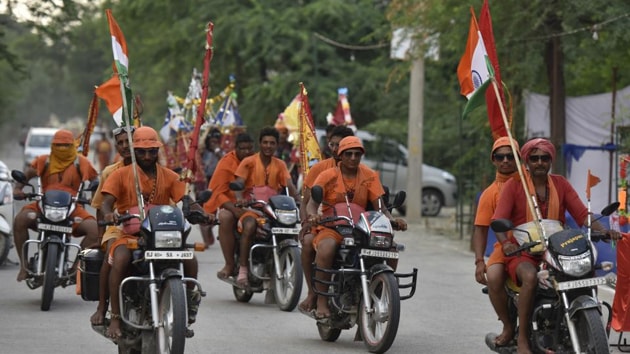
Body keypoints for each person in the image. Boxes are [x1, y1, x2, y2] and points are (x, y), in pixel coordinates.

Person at [492, 138, 619, 354]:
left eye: (544, 158)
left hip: (556, 248)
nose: (539, 162)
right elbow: (498, 220)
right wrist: (506, 244)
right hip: (524, 251)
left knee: (585, 269)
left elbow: (582, 214)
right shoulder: (515, 185)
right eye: (534, 158)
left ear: (551, 160)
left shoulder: (560, 183)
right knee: (530, 277)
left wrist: (603, 230)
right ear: (527, 161)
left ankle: (584, 323)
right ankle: (522, 337)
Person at [100, 126, 212, 339]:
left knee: (190, 260)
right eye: (142, 151)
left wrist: (203, 213)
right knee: (120, 258)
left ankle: (187, 308)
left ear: (157, 150)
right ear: (134, 151)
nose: (147, 156)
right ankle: (114, 316)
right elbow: (106, 203)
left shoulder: (170, 176)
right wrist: (108, 215)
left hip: (162, 236)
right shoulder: (120, 175)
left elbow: (186, 201)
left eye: (152, 151)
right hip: (131, 236)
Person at [305, 136, 407, 319]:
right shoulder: (327, 175)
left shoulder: (370, 175)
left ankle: (383, 290)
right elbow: (312, 203)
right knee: (326, 248)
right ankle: (321, 301)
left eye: (357, 154)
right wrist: (313, 215)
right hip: (333, 226)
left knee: (390, 247)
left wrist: (393, 220)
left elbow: (381, 207)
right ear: (340, 156)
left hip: (362, 228)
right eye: (349, 154)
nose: (353, 158)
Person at [13, 129, 99, 282]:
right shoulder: (43, 161)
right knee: (20, 220)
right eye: (58, 145)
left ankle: (75, 268)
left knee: (95, 230)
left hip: (72, 208)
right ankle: (24, 266)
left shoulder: (81, 162)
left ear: (72, 146)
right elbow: (27, 174)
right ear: (52, 146)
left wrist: (94, 196)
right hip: (43, 206)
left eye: (66, 145)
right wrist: (18, 188)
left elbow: (94, 179)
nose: (62, 149)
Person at [298, 125, 354, 313]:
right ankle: (313, 292)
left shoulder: (365, 173)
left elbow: (376, 204)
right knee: (307, 242)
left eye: (341, 145)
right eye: (333, 144)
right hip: (323, 224)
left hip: (353, 227)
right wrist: (307, 222)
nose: (336, 149)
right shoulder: (320, 170)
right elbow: (307, 201)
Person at [232, 126, 298, 287]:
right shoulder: (248, 162)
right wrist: (240, 199)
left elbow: (289, 186)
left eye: (272, 143)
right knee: (249, 226)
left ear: (277, 145)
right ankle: (243, 270)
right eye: (265, 142)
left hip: (275, 211)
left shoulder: (281, 164)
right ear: (260, 144)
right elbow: (239, 183)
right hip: (252, 209)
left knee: (292, 231)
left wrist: (299, 201)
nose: (268, 146)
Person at [471, 136, 520, 347]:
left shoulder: (530, 184)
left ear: (519, 158)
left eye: (511, 156)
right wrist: (479, 261)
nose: (506, 160)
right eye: (500, 156)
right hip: (506, 246)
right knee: (493, 275)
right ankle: (508, 325)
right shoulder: (489, 193)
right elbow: (480, 229)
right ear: (494, 160)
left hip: (537, 241)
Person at [89, 126, 134, 326]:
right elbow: (101, 207)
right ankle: (103, 306)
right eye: (121, 143)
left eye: (128, 141)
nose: (125, 146)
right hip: (119, 226)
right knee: (112, 257)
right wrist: (101, 238)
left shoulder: (155, 169)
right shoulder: (110, 172)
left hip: (149, 227)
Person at [203, 132, 255, 279]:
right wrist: (234, 209)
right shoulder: (226, 163)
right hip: (232, 204)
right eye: (242, 149)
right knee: (225, 217)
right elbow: (218, 191)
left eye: (249, 149)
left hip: (257, 204)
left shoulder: (257, 161)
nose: (246, 152)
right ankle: (230, 264)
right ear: (235, 148)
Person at [197, 128, 224, 248]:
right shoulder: (201, 151)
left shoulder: (221, 152)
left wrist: (217, 149)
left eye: (216, 141)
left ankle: (210, 229)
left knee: (218, 214)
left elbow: (224, 161)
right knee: (204, 213)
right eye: (211, 141)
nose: (213, 143)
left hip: (219, 184)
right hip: (204, 184)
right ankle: (206, 240)